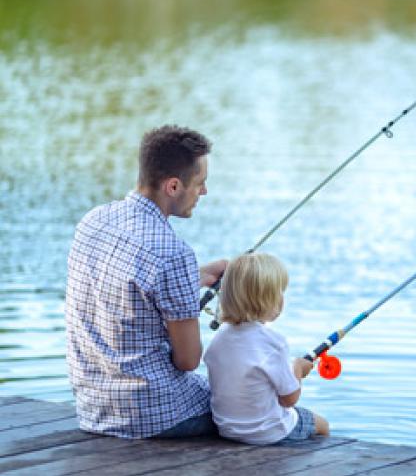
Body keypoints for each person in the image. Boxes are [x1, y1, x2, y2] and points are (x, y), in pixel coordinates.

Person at [65, 124, 227, 438]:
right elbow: (188, 360)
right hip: (151, 415)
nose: (204, 192)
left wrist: (200, 276)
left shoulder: (93, 220)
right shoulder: (173, 252)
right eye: (200, 183)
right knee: (258, 406)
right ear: (174, 187)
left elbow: (128, 292)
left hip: (92, 408)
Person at [203, 253, 330, 445]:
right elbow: (289, 400)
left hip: (226, 429)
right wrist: (298, 368)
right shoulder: (273, 342)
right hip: (269, 433)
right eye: (280, 292)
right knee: (322, 425)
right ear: (268, 300)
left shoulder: (219, 338)